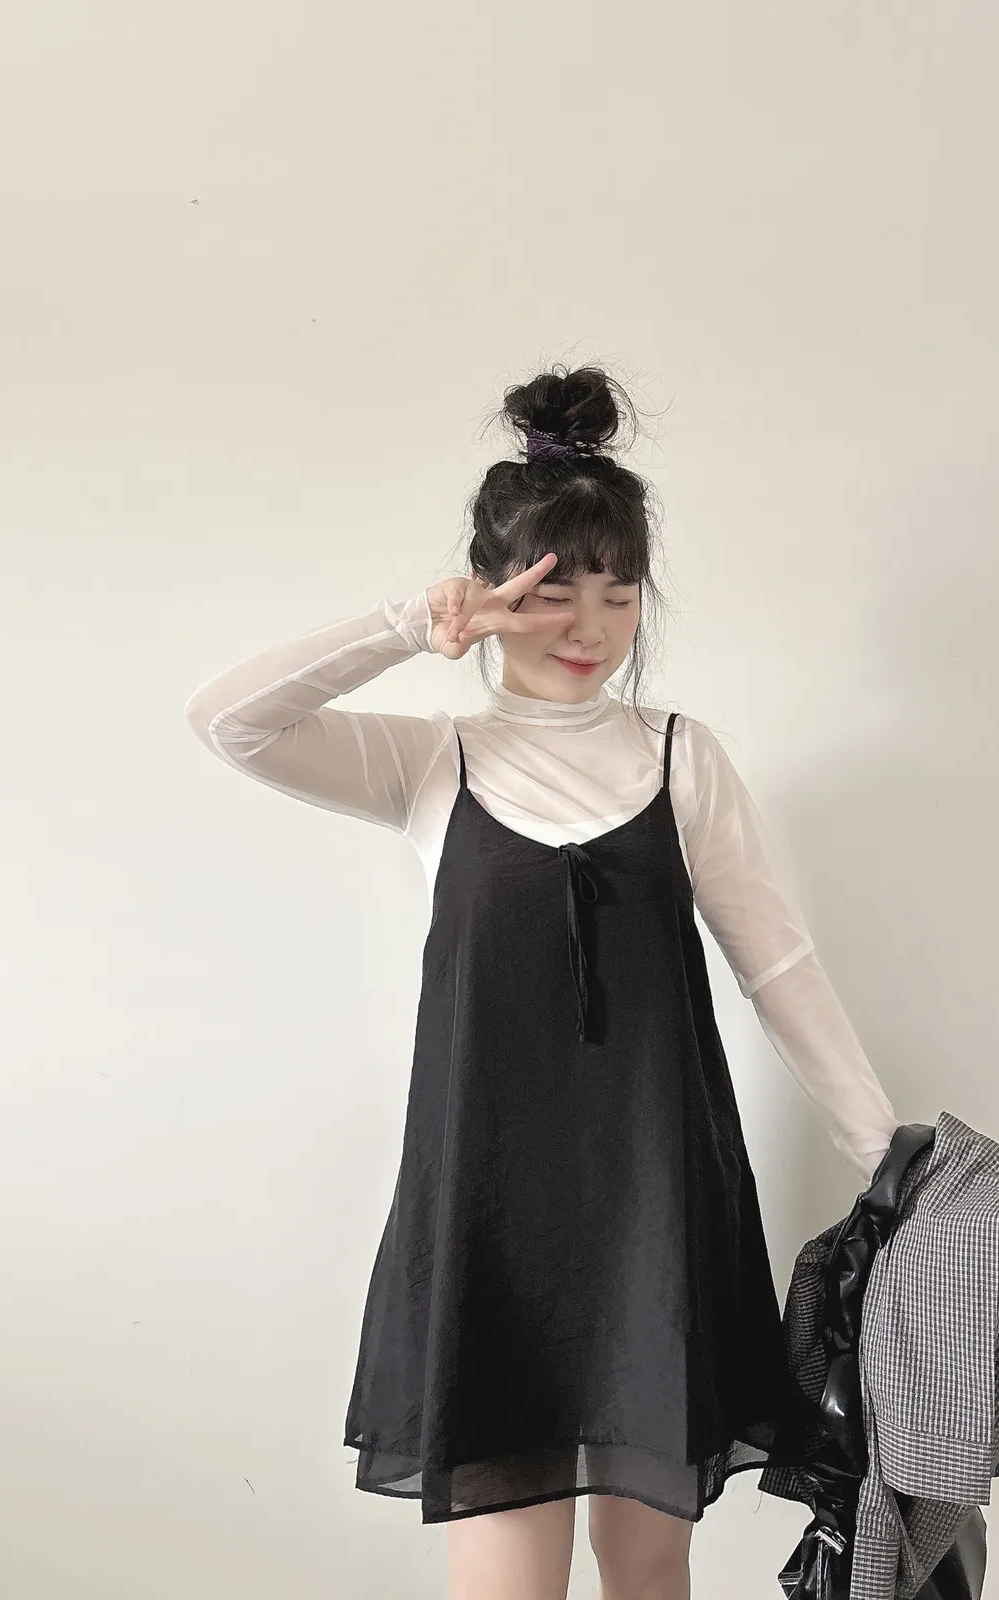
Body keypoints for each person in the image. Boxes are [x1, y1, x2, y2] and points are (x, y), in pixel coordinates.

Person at [184, 365, 899, 1600]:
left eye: (619, 595)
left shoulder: (680, 757)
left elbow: (775, 959)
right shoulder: (433, 762)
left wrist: (885, 1150)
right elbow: (227, 719)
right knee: (505, 1577)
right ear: (493, 590)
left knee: (648, 1567)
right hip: (490, 1211)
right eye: (555, 592)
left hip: (655, 1202)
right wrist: (410, 623)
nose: (590, 627)